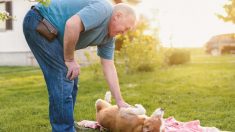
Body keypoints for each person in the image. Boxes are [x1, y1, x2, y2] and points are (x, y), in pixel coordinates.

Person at [23, 0, 136, 131]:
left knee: (71, 77)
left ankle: (67, 123)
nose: (124, 33)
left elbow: (109, 67)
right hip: (39, 21)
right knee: (63, 76)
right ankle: (64, 129)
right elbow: (72, 25)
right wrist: (70, 60)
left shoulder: (108, 38)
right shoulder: (104, 9)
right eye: (126, 28)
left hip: (52, 32)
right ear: (118, 16)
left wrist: (119, 101)